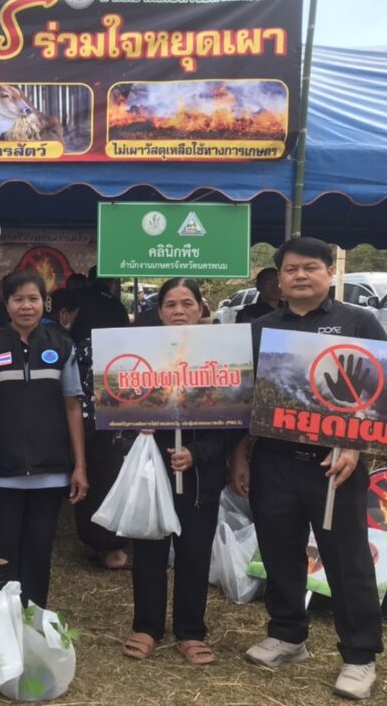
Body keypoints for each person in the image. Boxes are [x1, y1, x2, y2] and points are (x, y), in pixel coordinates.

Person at [229, 237, 386, 700]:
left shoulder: (358, 322)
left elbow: (384, 386)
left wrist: (354, 445)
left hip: (335, 464)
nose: (300, 275)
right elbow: (242, 399)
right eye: (291, 269)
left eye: (310, 267)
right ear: (279, 278)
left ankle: (359, 655)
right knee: (279, 551)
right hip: (273, 461)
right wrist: (239, 454)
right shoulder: (259, 328)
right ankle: (287, 634)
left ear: (329, 273)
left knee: (347, 559)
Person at [122, 278, 232, 666]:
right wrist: (136, 427)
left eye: (187, 303)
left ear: (202, 308)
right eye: (170, 304)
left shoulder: (223, 355)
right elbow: (117, 406)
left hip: (200, 476)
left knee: (194, 551)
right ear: (159, 311)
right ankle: (147, 625)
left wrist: (197, 453)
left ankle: (190, 629)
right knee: (149, 547)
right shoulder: (140, 353)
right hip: (153, 468)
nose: (179, 311)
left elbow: (233, 422)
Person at [0, 270, 88, 607]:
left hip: (50, 471)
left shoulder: (62, 346)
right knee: (0, 556)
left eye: (33, 298)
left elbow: (72, 407)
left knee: (38, 553)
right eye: (18, 299)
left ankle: (33, 622)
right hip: (0, 472)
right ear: (6, 304)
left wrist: (79, 466)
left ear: (44, 303)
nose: (26, 306)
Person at [72, 288, 131, 571]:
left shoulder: (77, 347)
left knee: (91, 481)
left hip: (83, 421)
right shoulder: (119, 346)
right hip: (112, 423)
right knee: (110, 481)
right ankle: (112, 551)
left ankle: (94, 543)